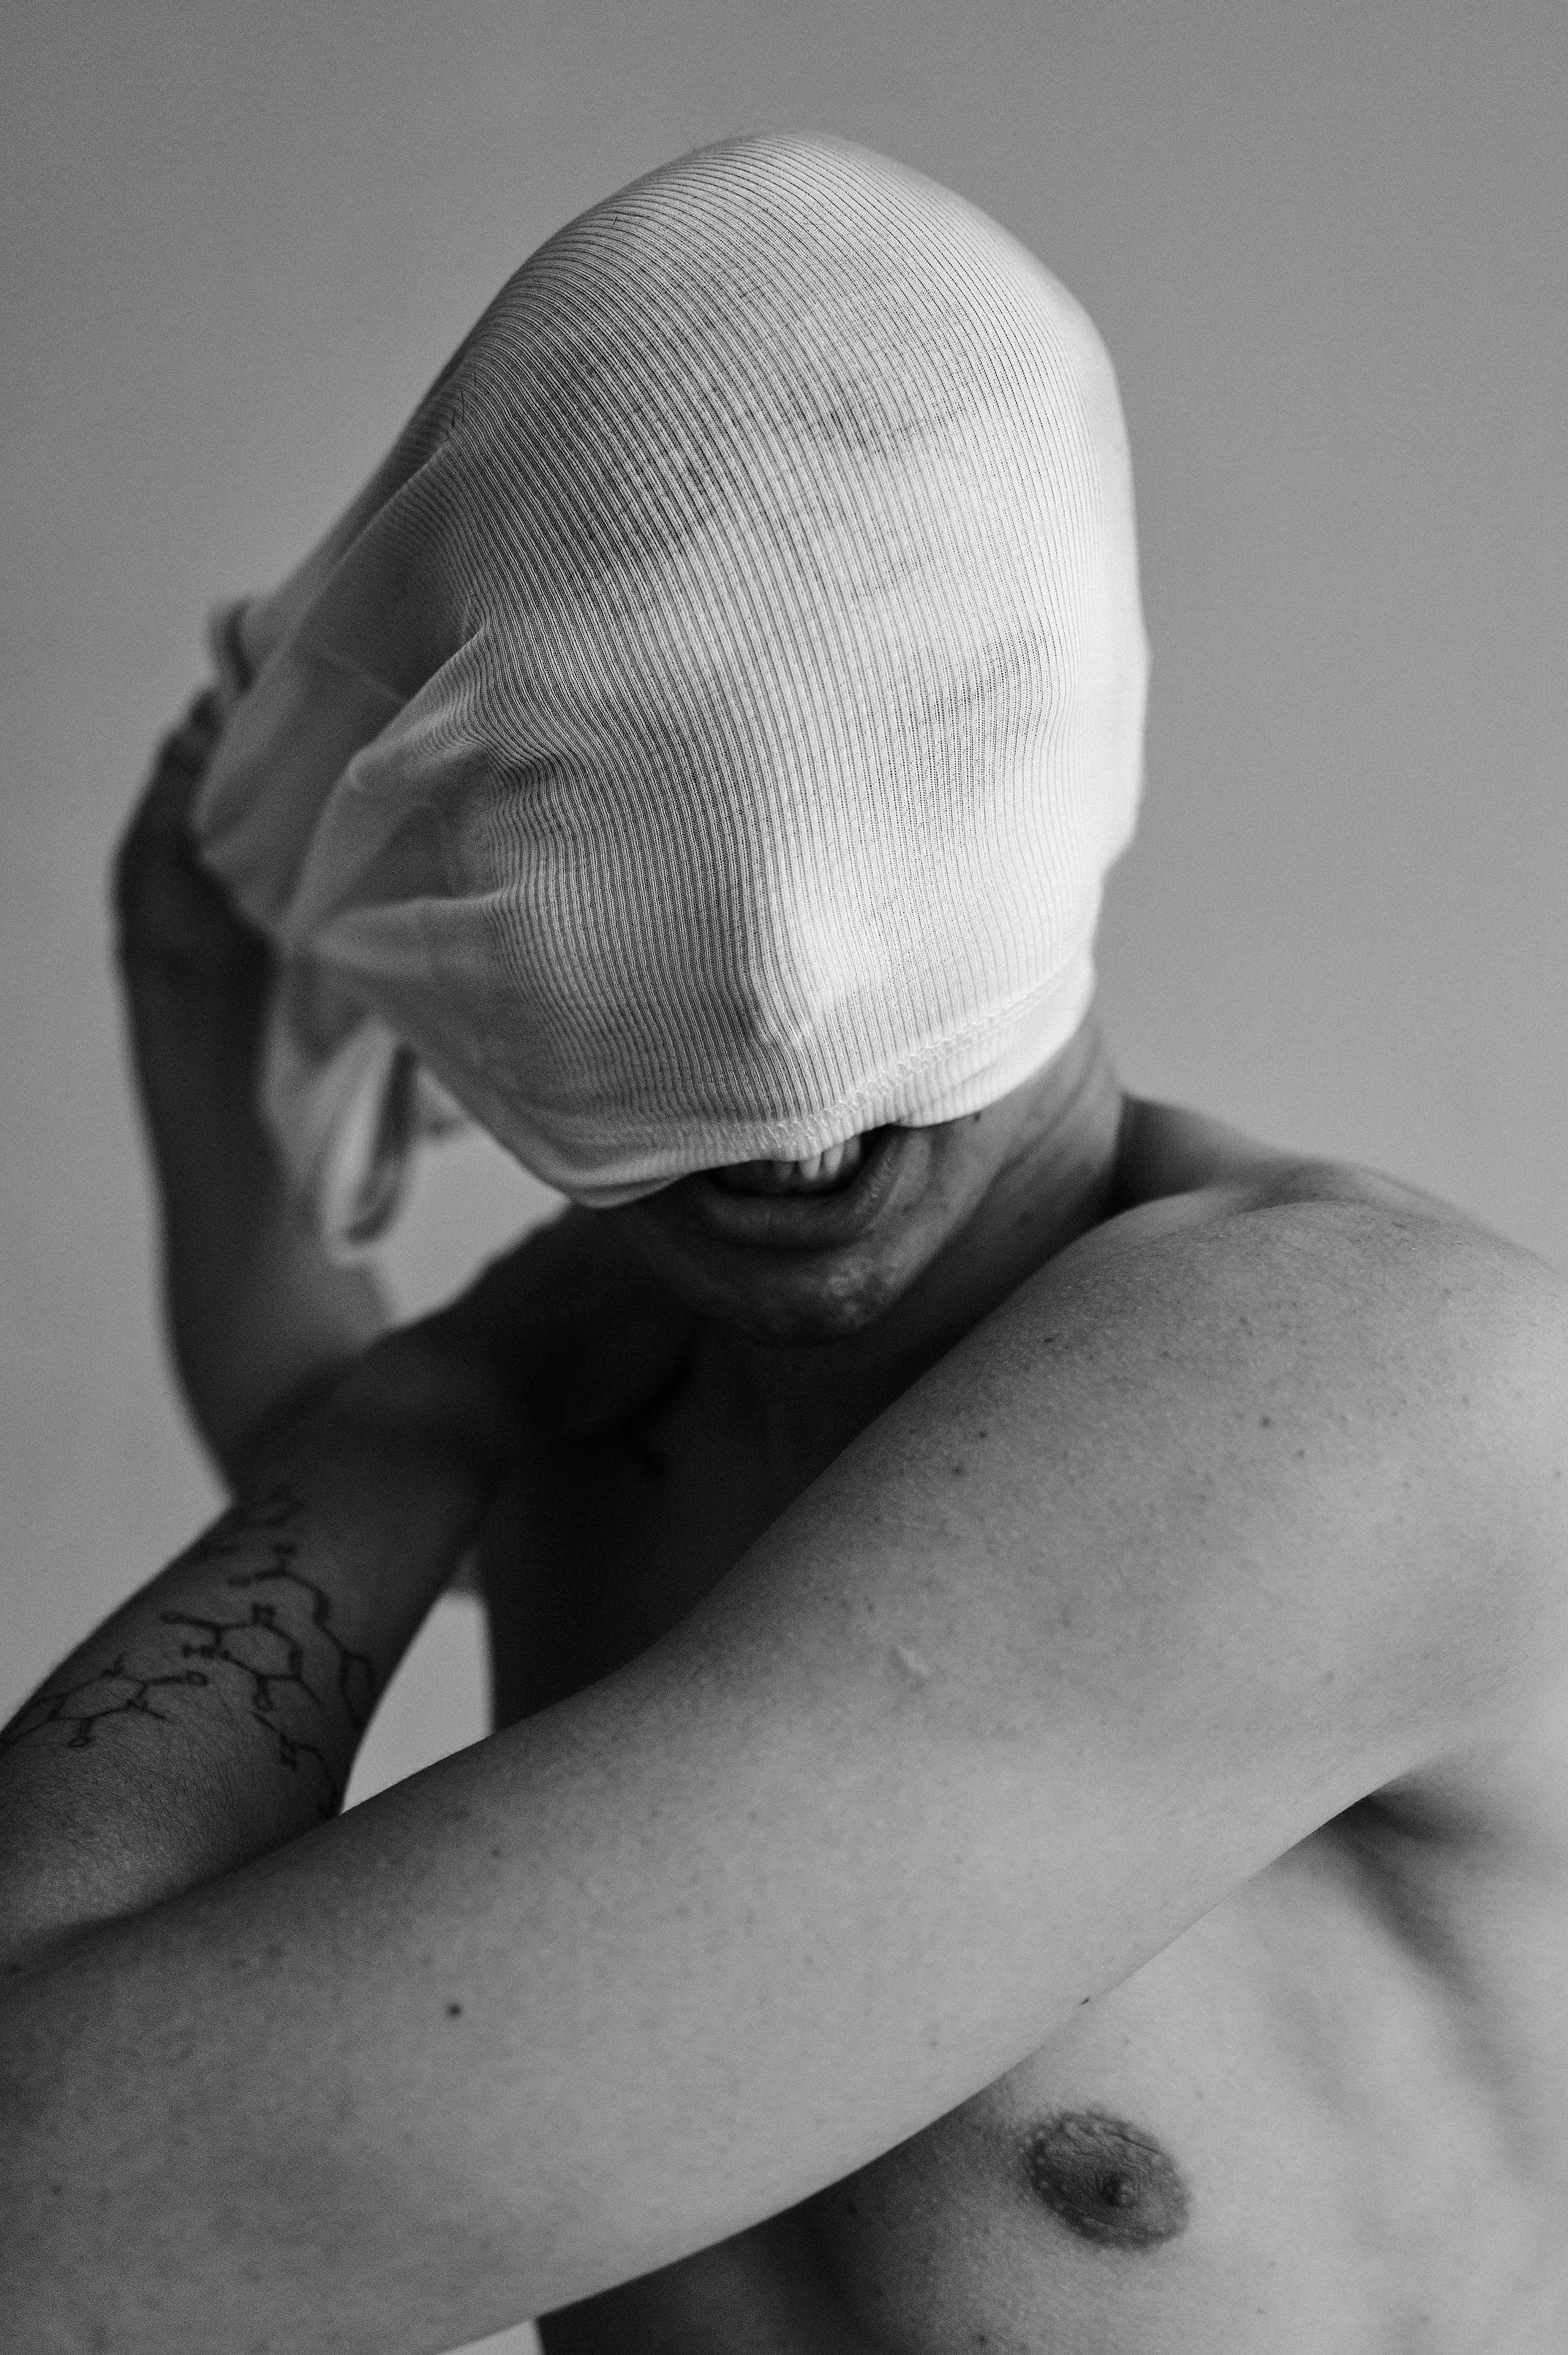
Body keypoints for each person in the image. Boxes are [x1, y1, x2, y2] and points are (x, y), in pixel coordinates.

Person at [4, 134, 1567, 2355]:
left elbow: (44, 2190)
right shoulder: (614, 1386)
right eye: (624, 806)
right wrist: (206, 1049)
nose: (783, 988)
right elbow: (323, 1454)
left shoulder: (1366, 1401)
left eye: (898, 755)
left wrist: (437, 1390)